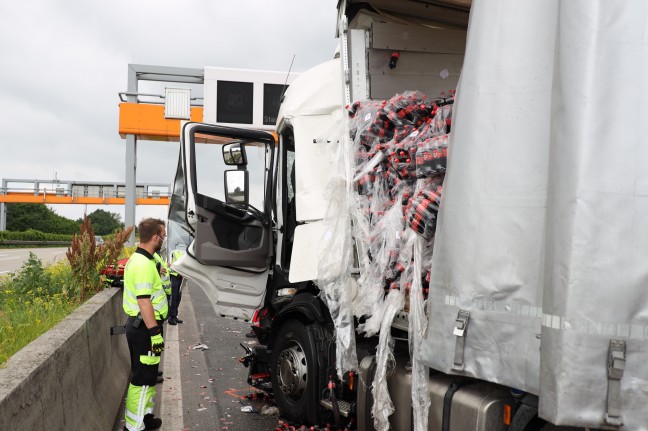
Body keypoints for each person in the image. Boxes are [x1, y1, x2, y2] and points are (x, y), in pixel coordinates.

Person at [122, 218, 169, 431]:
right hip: (145, 329)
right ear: (155, 237)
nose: (164, 239)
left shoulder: (146, 261)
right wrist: (154, 332)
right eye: (164, 236)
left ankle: (146, 417)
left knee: (148, 376)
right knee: (142, 380)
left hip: (143, 327)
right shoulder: (142, 264)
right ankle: (134, 427)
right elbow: (144, 301)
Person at [168, 248, 186, 325]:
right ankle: (171, 317)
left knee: (178, 297)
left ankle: (174, 315)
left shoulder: (184, 250)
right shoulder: (172, 250)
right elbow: (168, 263)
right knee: (173, 297)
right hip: (174, 275)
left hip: (181, 276)